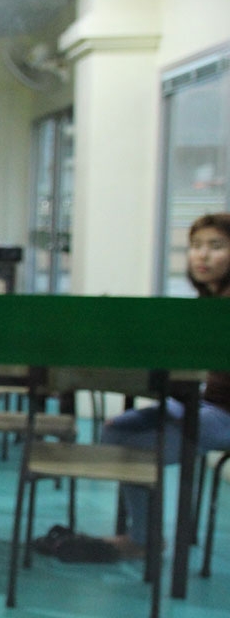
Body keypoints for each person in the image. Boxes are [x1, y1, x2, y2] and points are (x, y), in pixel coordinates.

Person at [100, 212, 230, 558]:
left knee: (132, 445)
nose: (202, 255)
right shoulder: (207, 305)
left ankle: (145, 540)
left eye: (216, 246)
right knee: (114, 430)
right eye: (196, 246)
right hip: (203, 404)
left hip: (224, 414)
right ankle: (145, 536)